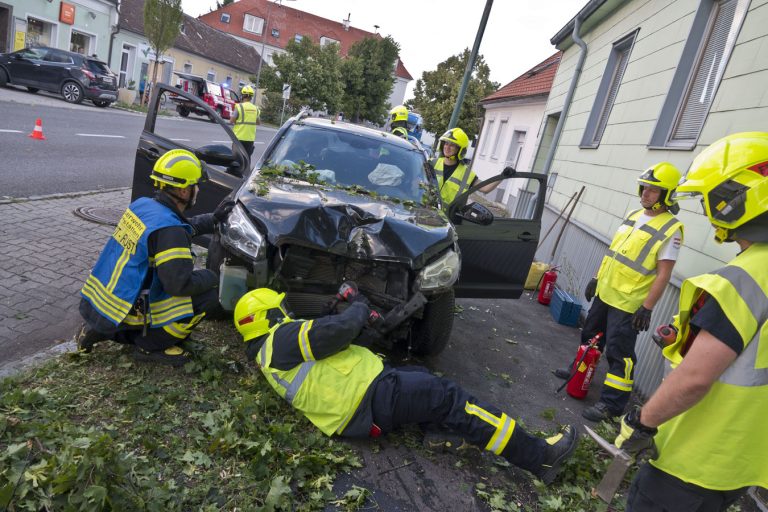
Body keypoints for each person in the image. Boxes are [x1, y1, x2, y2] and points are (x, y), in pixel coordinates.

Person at [233, 285, 579, 485]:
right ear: (269, 316)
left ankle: (439, 432)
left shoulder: (267, 356)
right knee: (450, 397)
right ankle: (539, 457)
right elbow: (336, 332)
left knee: (425, 381)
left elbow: (328, 346)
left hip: (360, 409)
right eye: (280, 307)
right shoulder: (280, 338)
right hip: (372, 397)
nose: (287, 310)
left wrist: (340, 318)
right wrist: (357, 306)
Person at [612, 132, 768, 511]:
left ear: (734, 200)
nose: (706, 209)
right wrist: (682, 342)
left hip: (693, 460)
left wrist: (641, 421)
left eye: (708, 198)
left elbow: (697, 379)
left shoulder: (746, 278)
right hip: (742, 462)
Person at [76, 149, 234, 366]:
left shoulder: (144, 206)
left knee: (167, 282)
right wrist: (215, 275)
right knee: (211, 294)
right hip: (128, 309)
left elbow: (174, 230)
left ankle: (97, 330)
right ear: (184, 190)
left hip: (101, 305)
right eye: (195, 184)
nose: (198, 189)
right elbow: (179, 285)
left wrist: (213, 219)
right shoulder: (170, 230)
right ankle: (151, 346)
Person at [553, 163, 684, 422]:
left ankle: (611, 405)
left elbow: (664, 274)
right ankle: (577, 371)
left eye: (653, 190)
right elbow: (614, 253)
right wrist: (595, 279)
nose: (645, 193)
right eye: (644, 187)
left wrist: (647, 307)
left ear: (667, 195)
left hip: (628, 303)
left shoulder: (671, 229)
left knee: (619, 353)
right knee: (590, 336)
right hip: (606, 291)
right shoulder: (635, 215)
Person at [431, 127, 504, 209]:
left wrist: (503, 176)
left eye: (452, 145)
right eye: (446, 143)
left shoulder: (467, 174)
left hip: (449, 218)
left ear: (460, 150)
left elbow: (485, 188)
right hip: (426, 211)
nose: (447, 147)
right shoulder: (431, 163)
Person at [231, 85, 260, 156]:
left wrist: (237, 122)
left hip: (238, 138)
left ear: (243, 96)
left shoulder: (239, 106)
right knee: (247, 158)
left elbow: (232, 120)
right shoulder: (256, 108)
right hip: (250, 139)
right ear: (251, 97)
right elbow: (258, 122)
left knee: (236, 158)